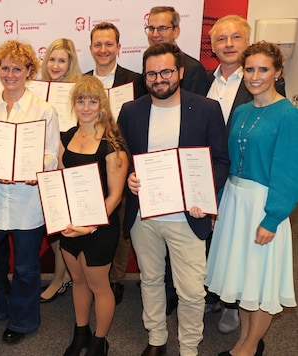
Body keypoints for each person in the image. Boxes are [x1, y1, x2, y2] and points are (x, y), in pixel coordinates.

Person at [118, 43, 229, 356]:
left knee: (192, 292)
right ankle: (156, 339)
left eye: (166, 71)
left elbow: (221, 161)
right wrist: (128, 177)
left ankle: (190, 347)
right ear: (145, 77)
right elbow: (122, 157)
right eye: (151, 73)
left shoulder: (206, 109)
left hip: (188, 216)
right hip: (145, 216)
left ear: (180, 72)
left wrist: (203, 195)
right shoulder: (131, 110)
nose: (159, 78)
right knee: (151, 281)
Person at [206, 41, 298, 356]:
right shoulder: (242, 111)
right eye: (249, 69)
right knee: (244, 280)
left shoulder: (288, 114)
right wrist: (216, 201)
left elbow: (288, 171)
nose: (254, 76)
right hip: (234, 202)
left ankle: (245, 350)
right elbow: (228, 160)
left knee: (261, 282)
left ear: (277, 72)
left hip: (263, 205)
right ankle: (246, 343)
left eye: (263, 69)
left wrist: (272, 217)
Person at [0, 40, 60, 345]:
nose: (10, 74)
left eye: (17, 68)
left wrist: (32, 169)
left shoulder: (44, 110)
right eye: (5, 67)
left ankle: (23, 321)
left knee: (25, 266)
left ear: (29, 71)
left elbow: (52, 154)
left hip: (27, 201)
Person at [59, 76, 128, 356]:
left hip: (98, 228)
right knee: (78, 281)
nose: (86, 107)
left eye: (92, 100)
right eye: (80, 100)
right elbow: (59, 181)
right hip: (69, 225)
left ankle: (99, 341)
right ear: (73, 103)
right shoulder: (66, 137)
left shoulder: (112, 144)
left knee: (99, 286)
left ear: (102, 104)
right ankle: (81, 333)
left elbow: (115, 196)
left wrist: (89, 227)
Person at [85, 22, 142, 305]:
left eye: (109, 44)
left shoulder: (137, 80)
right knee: (90, 218)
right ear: (91, 48)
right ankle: (91, 275)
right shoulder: (80, 81)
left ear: (118, 48)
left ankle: (116, 278)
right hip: (88, 164)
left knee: (119, 224)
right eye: (98, 44)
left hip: (123, 162)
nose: (103, 49)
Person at [38, 37, 82, 304]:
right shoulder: (36, 89)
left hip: (69, 163)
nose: (56, 65)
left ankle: (61, 278)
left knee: (66, 224)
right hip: (45, 164)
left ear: (70, 63)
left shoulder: (78, 91)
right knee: (52, 224)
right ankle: (62, 275)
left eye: (62, 60)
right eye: (52, 59)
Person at [143, 6, 210, 96]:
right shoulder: (148, 64)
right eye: (151, 28)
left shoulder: (193, 69)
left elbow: (194, 106)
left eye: (162, 28)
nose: (155, 34)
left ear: (176, 31)